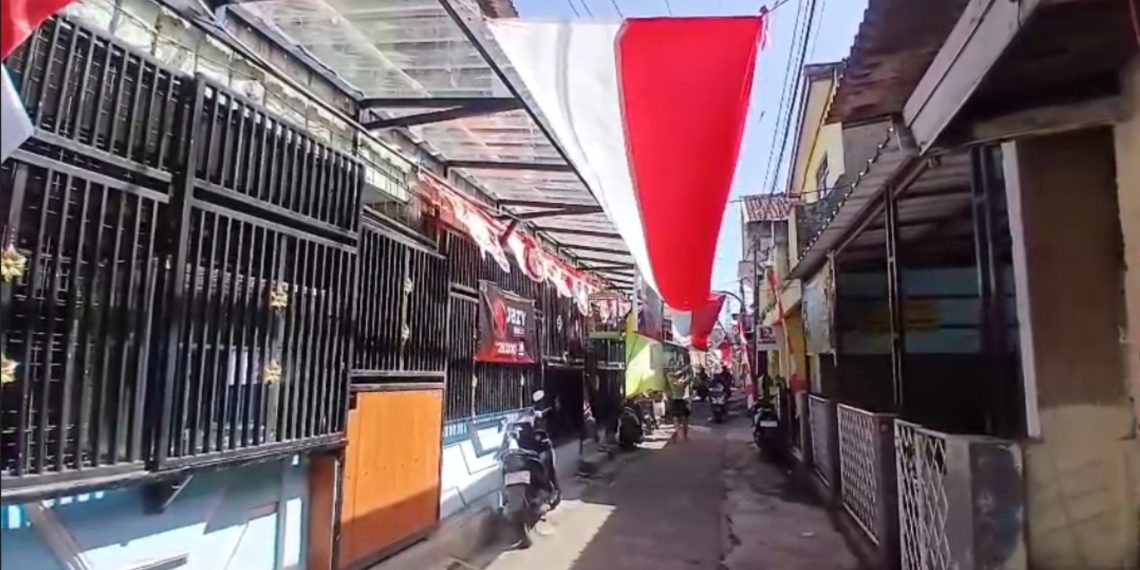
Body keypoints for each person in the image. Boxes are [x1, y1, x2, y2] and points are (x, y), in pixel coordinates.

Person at [669, 371, 692, 441]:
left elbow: (668, 373)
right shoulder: (684, 382)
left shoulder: (671, 381)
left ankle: (677, 431)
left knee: (676, 418)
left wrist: (673, 374)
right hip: (683, 400)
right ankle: (684, 435)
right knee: (685, 419)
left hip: (674, 400)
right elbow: (691, 375)